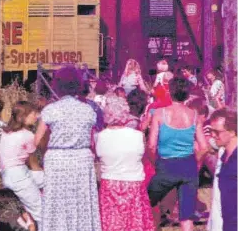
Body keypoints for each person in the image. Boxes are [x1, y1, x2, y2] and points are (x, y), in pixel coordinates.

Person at [35, 65, 101, 231]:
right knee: (81, 202)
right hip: (81, 160)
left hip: (57, 161)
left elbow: (36, 140)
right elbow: (94, 140)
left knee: (57, 202)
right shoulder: (88, 110)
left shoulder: (50, 110)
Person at [147, 77, 208, 231]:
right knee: (186, 216)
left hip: (166, 165)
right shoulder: (194, 115)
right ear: (187, 95)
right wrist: (197, 163)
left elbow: (152, 145)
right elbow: (204, 147)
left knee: (147, 202)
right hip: (188, 166)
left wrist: (155, 163)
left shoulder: (160, 114)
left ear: (169, 92)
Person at [95, 95, 154, 231]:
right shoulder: (137, 135)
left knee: (112, 223)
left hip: (110, 184)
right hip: (134, 183)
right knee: (135, 223)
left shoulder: (100, 137)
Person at [0, 101, 44, 231]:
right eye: (33, 113)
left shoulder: (5, 133)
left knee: (47, 180)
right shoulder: (28, 136)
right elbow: (34, 164)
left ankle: (26, 218)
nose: (36, 116)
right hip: (19, 176)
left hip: (8, 174)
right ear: (22, 117)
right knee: (41, 212)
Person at [209, 108, 237, 231]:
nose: (212, 135)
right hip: (227, 222)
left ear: (232, 132)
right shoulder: (224, 155)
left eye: (217, 131)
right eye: (211, 130)